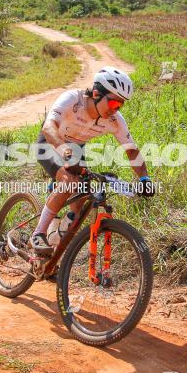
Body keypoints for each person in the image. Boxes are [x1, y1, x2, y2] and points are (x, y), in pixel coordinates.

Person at [30, 66, 155, 254]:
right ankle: (38, 234)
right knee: (69, 183)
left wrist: (145, 179)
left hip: (76, 149)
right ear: (96, 94)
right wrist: (64, 151)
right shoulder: (73, 100)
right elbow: (49, 127)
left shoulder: (115, 121)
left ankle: (54, 246)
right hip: (50, 142)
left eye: (120, 106)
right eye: (113, 104)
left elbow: (132, 151)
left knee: (82, 198)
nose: (116, 110)